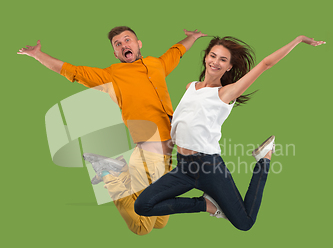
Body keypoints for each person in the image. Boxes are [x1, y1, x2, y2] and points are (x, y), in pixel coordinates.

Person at [17, 27, 207, 235]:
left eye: (128, 40)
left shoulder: (157, 64)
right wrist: (37, 54)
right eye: (118, 44)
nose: (124, 45)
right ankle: (109, 173)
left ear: (138, 43)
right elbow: (73, 71)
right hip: (148, 149)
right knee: (142, 227)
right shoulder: (112, 75)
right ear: (116, 53)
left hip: (168, 153)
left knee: (160, 221)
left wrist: (192, 37)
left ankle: (120, 172)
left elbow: (177, 51)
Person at [134, 35, 325, 231]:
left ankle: (263, 160)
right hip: (184, 167)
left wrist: (299, 39)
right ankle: (206, 205)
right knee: (142, 205)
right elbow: (183, 122)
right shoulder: (190, 87)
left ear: (229, 67)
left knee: (245, 222)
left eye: (223, 60)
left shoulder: (225, 93)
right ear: (206, 57)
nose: (215, 62)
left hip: (208, 167)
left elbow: (266, 64)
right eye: (213, 56)